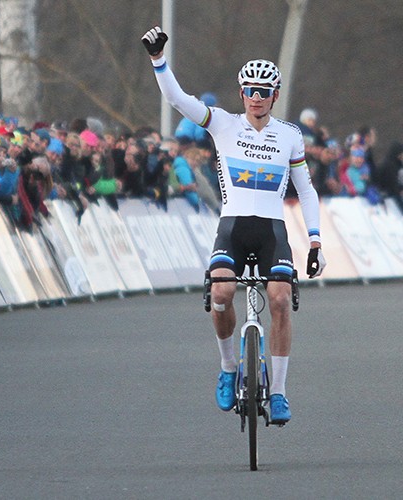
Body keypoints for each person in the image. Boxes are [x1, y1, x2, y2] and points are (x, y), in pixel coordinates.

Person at [142, 26, 326, 424]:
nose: (257, 98)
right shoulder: (222, 123)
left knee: (279, 300)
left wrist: (314, 241)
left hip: (273, 230)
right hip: (234, 227)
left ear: (276, 96)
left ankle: (277, 392)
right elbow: (176, 99)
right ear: (241, 93)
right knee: (222, 292)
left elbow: (306, 191)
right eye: (250, 90)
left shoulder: (290, 136)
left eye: (265, 92)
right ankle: (228, 368)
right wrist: (159, 60)